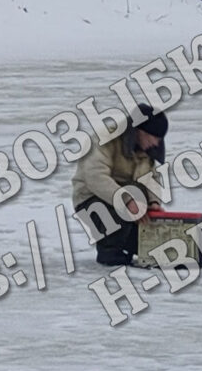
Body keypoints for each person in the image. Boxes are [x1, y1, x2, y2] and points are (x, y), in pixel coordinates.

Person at [72, 104, 167, 266]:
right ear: (140, 131)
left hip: (127, 201)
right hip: (91, 199)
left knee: (140, 199)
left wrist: (154, 203)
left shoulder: (144, 149)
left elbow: (151, 178)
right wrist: (127, 201)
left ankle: (130, 244)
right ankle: (109, 252)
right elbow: (95, 177)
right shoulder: (104, 139)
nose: (157, 143)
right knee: (120, 208)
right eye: (155, 138)